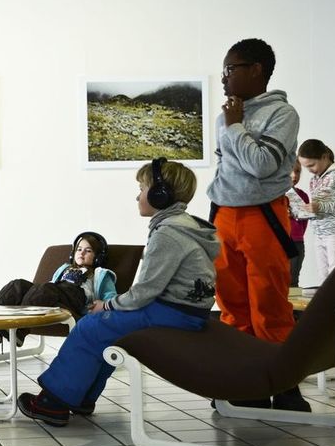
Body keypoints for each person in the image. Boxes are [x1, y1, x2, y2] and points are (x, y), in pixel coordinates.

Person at [18, 159, 218, 426]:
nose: (138, 195)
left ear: (161, 194)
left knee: (91, 327)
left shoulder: (169, 234)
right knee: (103, 332)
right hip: (183, 311)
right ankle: (80, 398)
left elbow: (144, 292)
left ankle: (53, 403)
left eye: (142, 188)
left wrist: (108, 305)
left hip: (172, 313)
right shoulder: (183, 226)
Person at [207, 38, 310, 411]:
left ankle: (283, 385)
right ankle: (247, 383)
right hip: (223, 215)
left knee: (269, 305)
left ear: (256, 70)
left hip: (263, 216)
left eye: (231, 69)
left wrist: (235, 128)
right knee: (232, 306)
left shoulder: (283, 114)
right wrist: (231, 125)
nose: (224, 78)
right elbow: (228, 166)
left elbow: (263, 165)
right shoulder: (226, 115)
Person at [0, 231, 118, 346]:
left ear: (98, 257)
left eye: (88, 251)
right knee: (17, 284)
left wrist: (102, 305)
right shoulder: (65, 268)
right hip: (56, 292)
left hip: (76, 297)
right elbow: (53, 283)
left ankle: (20, 330)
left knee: (46, 288)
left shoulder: (100, 274)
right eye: (79, 249)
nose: (82, 253)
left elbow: (111, 296)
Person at [297, 139, 335, 284]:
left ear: (324, 156)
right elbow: (319, 208)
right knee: (324, 279)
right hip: (319, 234)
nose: (310, 170)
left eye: (311, 165)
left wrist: (320, 207)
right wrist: (304, 212)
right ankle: (328, 306)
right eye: (306, 167)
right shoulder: (314, 179)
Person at [287, 159, 309, 287]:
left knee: (293, 280)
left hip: (297, 243)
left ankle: (292, 307)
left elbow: (304, 222)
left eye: (298, 171)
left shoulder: (303, 196)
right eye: (291, 171)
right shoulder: (273, 195)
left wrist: (297, 236)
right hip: (277, 243)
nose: (294, 175)